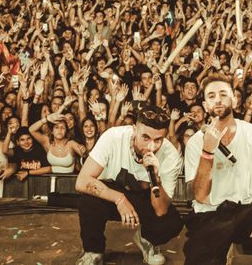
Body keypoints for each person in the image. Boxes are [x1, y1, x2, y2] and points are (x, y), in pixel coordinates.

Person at [183, 73, 252, 265]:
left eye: (223, 94)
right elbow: (199, 195)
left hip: (246, 209)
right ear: (206, 105)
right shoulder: (195, 143)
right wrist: (207, 152)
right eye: (211, 96)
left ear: (234, 99)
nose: (218, 99)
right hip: (212, 213)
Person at [74, 106, 183, 265]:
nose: (151, 146)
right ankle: (94, 250)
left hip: (145, 199)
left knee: (172, 222)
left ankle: (146, 240)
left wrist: (156, 178)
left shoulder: (171, 155)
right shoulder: (114, 137)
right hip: (111, 194)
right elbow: (82, 181)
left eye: (158, 139)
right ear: (134, 129)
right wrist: (119, 199)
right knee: (88, 200)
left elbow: (161, 210)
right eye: (145, 137)